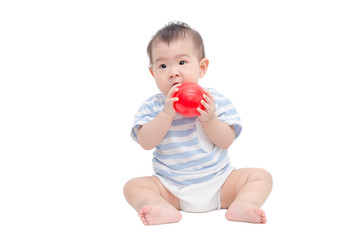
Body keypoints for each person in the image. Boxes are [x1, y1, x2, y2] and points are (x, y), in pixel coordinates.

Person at [123, 21, 273, 225]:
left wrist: (209, 119)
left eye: (182, 62)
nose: (173, 72)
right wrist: (165, 115)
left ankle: (243, 203)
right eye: (163, 65)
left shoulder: (214, 101)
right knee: (133, 186)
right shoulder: (153, 107)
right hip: (171, 188)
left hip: (220, 183)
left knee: (261, 176)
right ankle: (161, 207)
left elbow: (226, 141)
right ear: (153, 73)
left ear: (202, 68)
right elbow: (145, 142)